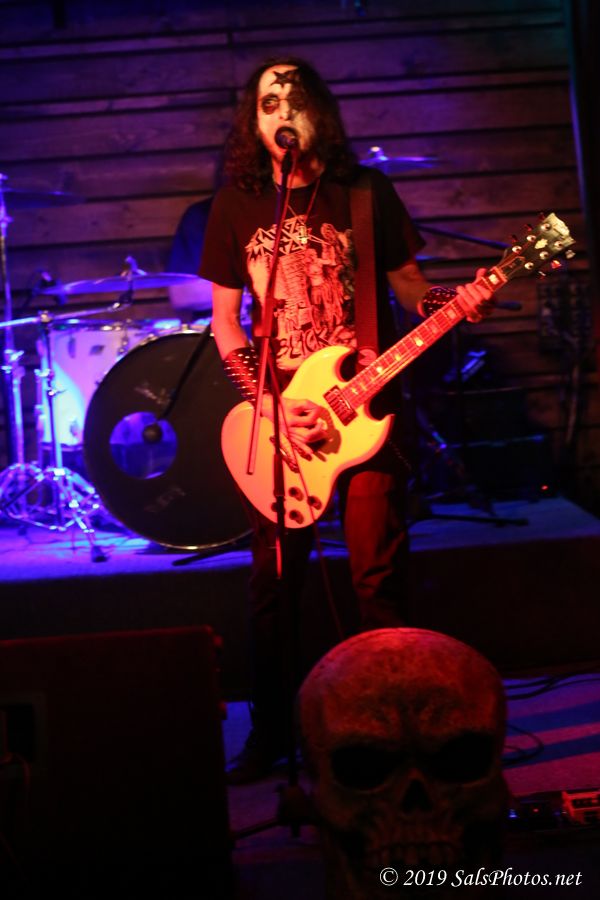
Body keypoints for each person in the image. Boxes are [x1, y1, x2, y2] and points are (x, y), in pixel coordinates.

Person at [199, 56, 494, 784]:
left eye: (294, 99)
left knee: (377, 576)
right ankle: (272, 734)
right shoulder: (236, 204)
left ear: (319, 113)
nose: (282, 112)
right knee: (274, 587)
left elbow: (410, 287)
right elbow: (225, 323)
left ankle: (389, 728)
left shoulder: (366, 193)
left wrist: (452, 304)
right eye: (268, 102)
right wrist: (269, 402)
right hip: (280, 424)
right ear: (253, 120)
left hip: (369, 409)